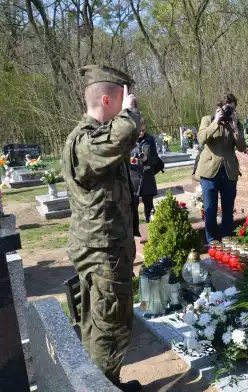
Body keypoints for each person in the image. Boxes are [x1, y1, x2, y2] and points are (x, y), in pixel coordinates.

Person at [61, 65, 142, 392]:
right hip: (101, 255)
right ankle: (103, 387)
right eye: (123, 101)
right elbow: (121, 134)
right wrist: (130, 116)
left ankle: (107, 384)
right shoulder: (84, 141)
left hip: (105, 251)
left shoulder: (95, 138)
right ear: (107, 100)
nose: (129, 107)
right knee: (110, 328)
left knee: (100, 326)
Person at [196, 93, 247, 243]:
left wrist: (235, 127)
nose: (229, 112)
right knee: (210, 210)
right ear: (219, 108)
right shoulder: (208, 119)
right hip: (209, 171)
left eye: (232, 109)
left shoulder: (237, 124)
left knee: (228, 210)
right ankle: (212, 241)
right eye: (226, 108)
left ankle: (227, 240)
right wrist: (216, 122)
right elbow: (201, 139)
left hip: (229, 171)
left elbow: (243, 147)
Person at [130, 118, 162, 234]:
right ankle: (135, 234)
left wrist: (147, 159)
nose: (141, 133)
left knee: (149, 206)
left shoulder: (150, 140)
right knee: (133, 207)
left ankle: (152, 232)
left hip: (147, 176)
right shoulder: (128, 139)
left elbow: (156, 159)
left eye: (143, 130)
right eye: (139, 131)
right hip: (133, 177)